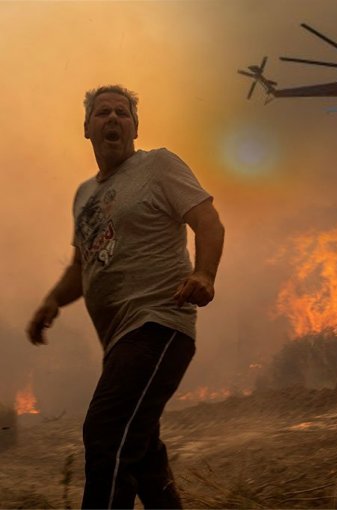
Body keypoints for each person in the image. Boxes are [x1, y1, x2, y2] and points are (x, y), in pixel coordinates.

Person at [26, 84, 225, 509]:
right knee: (142, 454)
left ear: (136, 126)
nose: (113, 118)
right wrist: (51, 302)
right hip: (119, 342)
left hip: (159, 323)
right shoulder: (84, 196)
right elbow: (82, 268)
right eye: (103, 113)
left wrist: (204, 273)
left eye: (122, 112)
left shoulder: (159, 166)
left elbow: (208, 222)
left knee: (106, 432)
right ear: (86, 128)